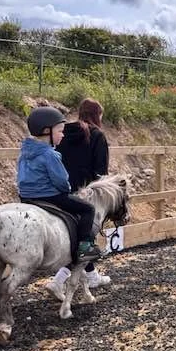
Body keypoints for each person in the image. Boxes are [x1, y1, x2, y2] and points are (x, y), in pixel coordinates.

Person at [17, 106, 102, 264]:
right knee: (88, 209)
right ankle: (84, 248)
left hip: (26, 198)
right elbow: (61, 181)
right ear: (46, 131)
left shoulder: (25, 151)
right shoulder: (50, 154)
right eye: (60, 131)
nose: (62, 135)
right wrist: (67, 190)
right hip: (50, 197)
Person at [47, 99, 111, 296]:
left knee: (79, 235)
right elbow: (101, 172)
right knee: (87, 234)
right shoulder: (97, 136)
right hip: (86, 193)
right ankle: (62, 278)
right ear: (96, 115)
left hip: (61, 190)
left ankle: (92, 276)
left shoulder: (63, 133)